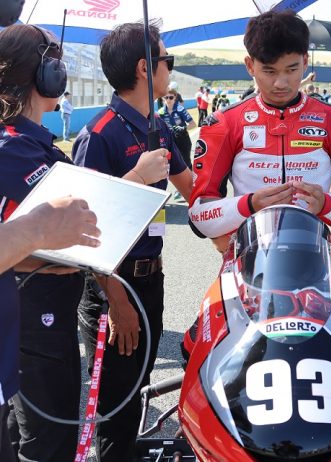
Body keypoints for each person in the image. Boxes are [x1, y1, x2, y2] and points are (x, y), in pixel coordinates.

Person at [184, 10, 331, 355]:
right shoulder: (224, 123)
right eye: (269, 71)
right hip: (246, 268)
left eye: (291, 69)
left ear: (306, 62)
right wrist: (249, 204)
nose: (281, 83)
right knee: (197, 352)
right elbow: (199, 217)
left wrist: (326, 204)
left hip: (318, 270)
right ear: (249, 65)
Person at [72, 22, 192, 462]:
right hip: (114, 289)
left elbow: (194, 188)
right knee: (117, 406)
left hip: (150, 280)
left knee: (137, 390)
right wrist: (117, 302)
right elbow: (85, 233)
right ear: (145, 68)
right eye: (167, 60)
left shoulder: (157, 126)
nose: (170, 69)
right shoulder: (99, 134)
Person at [0, 23, 97, 462]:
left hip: (40, 313)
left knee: (27, 433)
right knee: (49, 439)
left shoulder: (30, 144)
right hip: (34, 314)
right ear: (47, 76)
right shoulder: (14, 149)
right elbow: (73, 220)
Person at [0, 197, 100, 462]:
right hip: (32, 309)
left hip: (36, 308)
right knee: (47, 439)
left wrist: (33, 256)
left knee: (39, 429)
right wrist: (37, 231)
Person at [158, 87, 197, 169]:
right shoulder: (160, 112)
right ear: (163, 98)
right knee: (169, 163)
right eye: (166, 97)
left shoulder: (180, 109)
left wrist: (183, 128)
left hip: (182, 139)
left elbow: (193, 124)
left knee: (186, 163)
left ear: (175, 97)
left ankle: (190, 176)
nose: (168, 100)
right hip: (169, 141)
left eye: (171, 97)